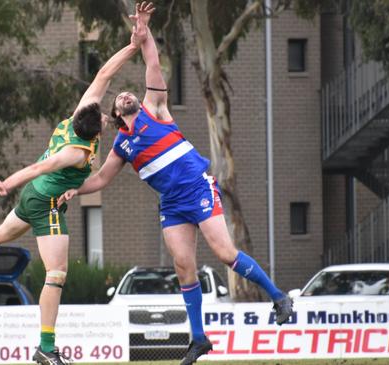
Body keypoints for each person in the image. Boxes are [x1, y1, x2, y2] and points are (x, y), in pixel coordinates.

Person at [58, 6, 294, 365]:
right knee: (183, 267)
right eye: (120, 98)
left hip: (198, 188)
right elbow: (103, 178)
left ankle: (278, 297)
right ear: (118, 115)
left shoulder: (156, 107)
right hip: (172, 204)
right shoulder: (122, 145)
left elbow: (152, 61)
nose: (125, 94)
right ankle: (198, 339)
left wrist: (145, 30)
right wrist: (76, 189)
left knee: (225, 254)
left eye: (126, 93)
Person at [0, 5, 152, 365]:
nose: (108, 123)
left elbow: (105, 72)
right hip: (44, 201)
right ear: (92, 133)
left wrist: (133, 46)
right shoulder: (76, 153)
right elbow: (38, 166)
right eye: (105, 125)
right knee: (57, 273)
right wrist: (6, 183)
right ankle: (46, 348)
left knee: (0, 235)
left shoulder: (83, 110)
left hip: (36, 197)